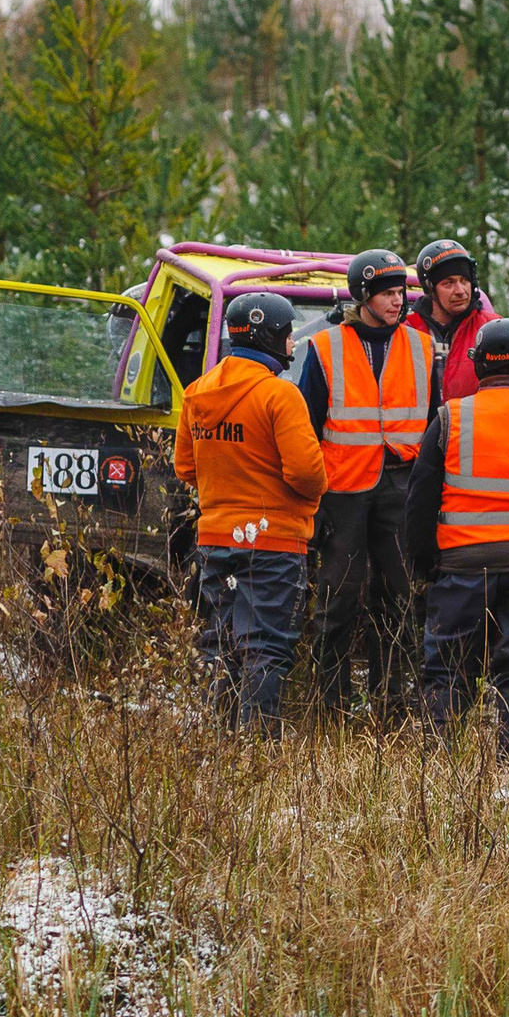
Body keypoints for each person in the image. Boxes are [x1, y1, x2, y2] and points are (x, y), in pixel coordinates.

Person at [175, 292, 326, 731]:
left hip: (215, 539)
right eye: (287, 334)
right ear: (269, 338)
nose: (293, 342)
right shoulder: (281, 395)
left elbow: (186, 466)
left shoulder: (197, 392)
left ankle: (220, 743)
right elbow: (307, 474)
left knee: (219, 642)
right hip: (274, 541)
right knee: (266, 646)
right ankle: (258, 745)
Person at [403, 317, 509, 756]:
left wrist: (424, 563)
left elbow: (419, 501)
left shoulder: (451, 417)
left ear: (480, 365)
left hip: (462, 564)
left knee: (448, 668)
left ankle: (441, 759)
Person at [300, 248, 435, 715]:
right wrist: (313, 500)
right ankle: (330, 705)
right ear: (363, 296)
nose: (398, 301)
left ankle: (392, 704)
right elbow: (307, 426)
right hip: (342, 493)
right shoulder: (324, 347)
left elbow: (433, 423)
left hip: (401, 486)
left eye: (401, 292)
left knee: (399, 600)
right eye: (388, 293)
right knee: (337, 600)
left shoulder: (420, 346)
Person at [414, 238, 498, 401]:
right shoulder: (407, 331)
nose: (460, 290)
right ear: (430, 288)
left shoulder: (491, 329)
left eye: (464, 280)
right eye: (448, 283)